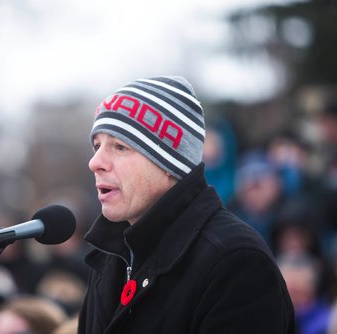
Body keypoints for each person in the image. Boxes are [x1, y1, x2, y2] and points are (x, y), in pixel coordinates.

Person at [78, 76, 296, 333]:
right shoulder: (109, 255)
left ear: (170, 162)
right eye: (97, 146)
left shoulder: (235, 262)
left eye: (120, 147)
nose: (95, 162)